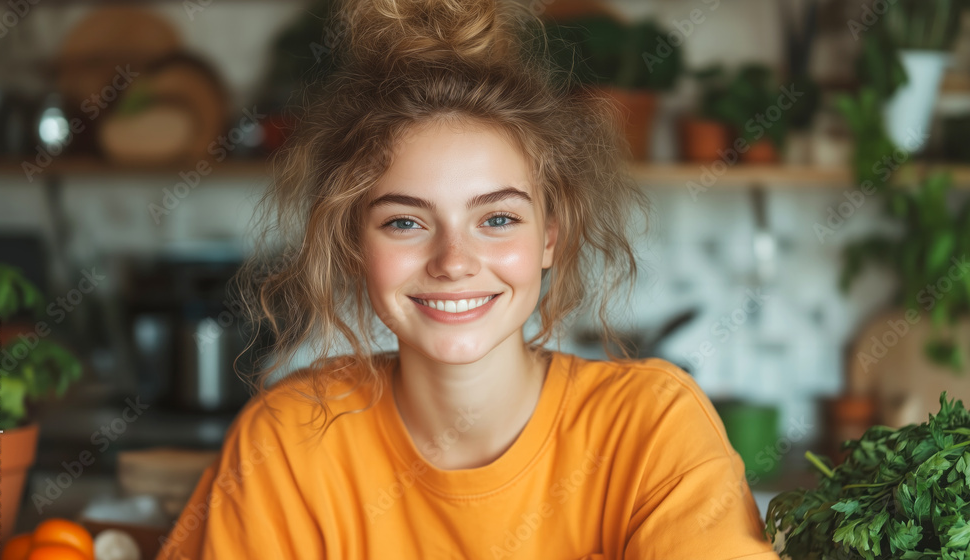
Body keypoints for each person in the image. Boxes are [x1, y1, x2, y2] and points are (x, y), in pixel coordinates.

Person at [156, 0, 780, 558]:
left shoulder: (651, 426)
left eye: (498, 218)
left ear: (550, 235)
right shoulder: (287, 444)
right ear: (352, 244)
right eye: (404, 222)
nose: (453, 261)